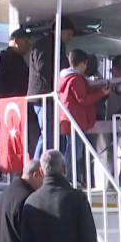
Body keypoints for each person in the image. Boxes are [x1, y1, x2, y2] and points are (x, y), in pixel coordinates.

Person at [57, 49, 110, 188]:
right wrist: (101, 93)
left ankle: (71, 178)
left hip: (69, 119)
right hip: (76, 120)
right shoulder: (76, 79)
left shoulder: (64, 78)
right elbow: (83, 99)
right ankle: (70, 179)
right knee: (75, 152)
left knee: (72, 150)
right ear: (82, 63)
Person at [28, 18, 74, 160]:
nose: (70, 37)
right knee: (47, 133)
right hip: (43, 95)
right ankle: (35, 168)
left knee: (50, 134)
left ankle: (41, 168)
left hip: (48, 96)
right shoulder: (45, 44)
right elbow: (43, 67)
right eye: (69, 33)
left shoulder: (56, 45)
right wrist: (59, 81)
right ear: (61, 31)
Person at [100, 55, 121, 188]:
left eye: (117, 69)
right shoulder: (110, 84)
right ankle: (110, 185)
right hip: (110, 122)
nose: (113, 72)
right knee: (109, 154)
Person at [0, 29, 31, 98]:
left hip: (18, 102)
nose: (28, 46)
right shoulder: (2, 56)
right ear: (16, 41)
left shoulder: (21, 60)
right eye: (26, 42)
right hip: (6, 103)